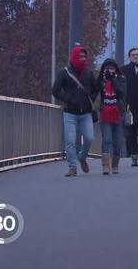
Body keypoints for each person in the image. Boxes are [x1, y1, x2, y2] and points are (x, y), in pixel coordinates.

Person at [52, 46, 98, 177]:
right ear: (74, 57)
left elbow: (95, 89)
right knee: (70, 141)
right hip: (70, 113)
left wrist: (90, 100)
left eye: (84, 57)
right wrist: (68, 99)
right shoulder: (65, 73)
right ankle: (72, 167)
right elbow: (55, 90)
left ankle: (82, 157)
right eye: (80, 57)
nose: (83, 59)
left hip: (86, 113)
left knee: (89, 138)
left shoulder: (88, 73)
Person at [96, 58, 126, 175]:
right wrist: (101, 78)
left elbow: (121, 93)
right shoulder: (101, 80)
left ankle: (115, 165)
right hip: (105, 112)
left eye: (112, 68)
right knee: (107, 139)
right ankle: (105, 166)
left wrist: (113, 80)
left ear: (116, 69)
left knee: (117, 141)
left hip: (119, 112)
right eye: (107, 68)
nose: (110, 70)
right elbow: (94, 90)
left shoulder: (121, 79)